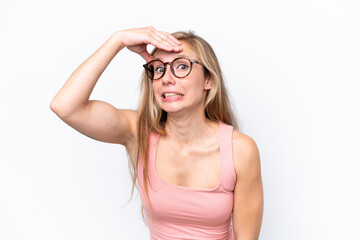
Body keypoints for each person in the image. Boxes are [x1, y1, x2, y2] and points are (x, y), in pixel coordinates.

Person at [50, 26, 264, 240]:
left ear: (209, 80)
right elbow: (65, 106)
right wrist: (118, 40)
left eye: (182, 67)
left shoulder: (240, 150)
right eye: (159, 69)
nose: (167, 78)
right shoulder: (138, 132)